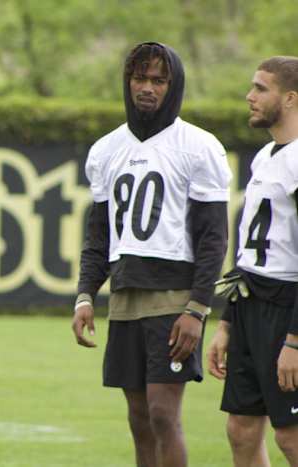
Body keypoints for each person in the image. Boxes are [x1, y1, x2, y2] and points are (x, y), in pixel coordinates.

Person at [71, 42, 232, 467]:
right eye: (139, 78)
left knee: (164, 413)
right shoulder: (105, 150)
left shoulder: (199, 146)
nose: (147, 88)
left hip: (174, 295)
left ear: (173, 85)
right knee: (139, 418)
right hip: (125, 295)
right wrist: (86, 294)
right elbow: (99, 234)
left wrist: (197, 307)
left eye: (158, 80)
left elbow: (214, 236)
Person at [207, 56, 298, 467]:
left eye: (261, 88)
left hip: (287, 308)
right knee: (241, 429)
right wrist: (227, 321)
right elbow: (246, 251)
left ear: (291, 98)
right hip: (250, 304)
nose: (250, 96)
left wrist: (295, 341)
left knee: (291, 437)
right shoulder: (265, 158)